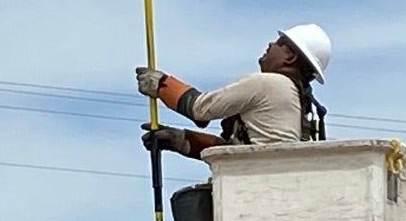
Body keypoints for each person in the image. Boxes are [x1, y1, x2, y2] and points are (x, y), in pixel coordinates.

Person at [136, 23, 332, 159]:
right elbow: (236, 153)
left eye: (280, 43)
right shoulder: (295, 97)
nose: (271, 44)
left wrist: (161, 84)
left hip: (255, 184)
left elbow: (200, 110)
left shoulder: (269, 84)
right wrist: (181, 141)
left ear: (290, 58)